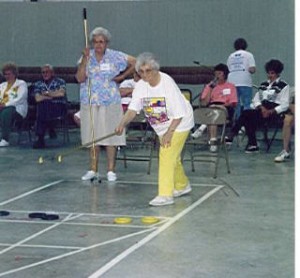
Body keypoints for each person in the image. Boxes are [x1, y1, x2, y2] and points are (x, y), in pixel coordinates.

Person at [115, 52, 194, 206]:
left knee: (165, 153)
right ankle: (182, 185)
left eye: (148, 71)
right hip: (161, 125)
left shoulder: (167, 84)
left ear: (156, 69)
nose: (145, 75)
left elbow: (178, 114)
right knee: (173, 158)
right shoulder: (140, 86)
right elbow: (133, 110)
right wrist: (122, 123)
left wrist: (169, 133)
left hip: (180, 122)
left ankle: (165, 194)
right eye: (141, 72)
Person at [76, 26, 136, 182]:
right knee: (93, 136)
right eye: (95, 42)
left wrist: (122, 76)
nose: (98, 45)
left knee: (112, 136)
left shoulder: (115, 56)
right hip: (90, 101)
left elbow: (136, 62)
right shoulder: (86, 57)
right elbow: (80, 78)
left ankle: (111, 170)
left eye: (101, 42)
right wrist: (84, 59)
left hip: (110, 101)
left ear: (106, 43)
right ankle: (93, 169)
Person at [226, 59, 290, 153]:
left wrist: (271, 111)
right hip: (262, 109)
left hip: (274, 112)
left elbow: (285, 104)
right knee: (246, 113)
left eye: (272, 73)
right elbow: (256, 99)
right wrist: (261, 107)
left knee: (248, 117)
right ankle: (250, 143)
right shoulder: (263, 85)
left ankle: (243, 139)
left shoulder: (284, 86)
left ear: (277, 73)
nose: (270, 75)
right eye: (268, 73)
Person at [191, 63, 237, 152]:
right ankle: (213, 141)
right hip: (211, 108)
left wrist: (219, 106)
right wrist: (211, 89)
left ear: (225, 74)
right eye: (216, 74)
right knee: (212, 116)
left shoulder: (231, 86)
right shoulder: (209, 86)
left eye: (220, 74)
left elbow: (233, 103)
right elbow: (204, 103)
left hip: (225, 108)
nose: (217, 76)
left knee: (213, 113)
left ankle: (202, 127)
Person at [32, 64, 67, 149]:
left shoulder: (60, 81)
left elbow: (61, 93)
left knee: (44, 105)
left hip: (58, 106)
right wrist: (51, 95)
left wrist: (46, 94)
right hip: (44, 107)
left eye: (47, 72)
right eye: (43, 72)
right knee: (44, 105)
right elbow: (37, 98)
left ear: (52, 73)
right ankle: (49, 128)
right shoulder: (38, 84)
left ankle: (40, 138)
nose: (45, 74)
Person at [227, 38, 256, 122]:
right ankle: (246, 124)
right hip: (244, 81)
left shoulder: (231, 56)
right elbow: (252, 69)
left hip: (232, 81)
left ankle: (237, 124)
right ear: (245, 46)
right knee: (247, 103)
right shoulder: (249, 55)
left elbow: (228, 69)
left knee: (236, 104)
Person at [0, 62, 28, 147]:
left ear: (15, 74)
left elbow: (20, 98)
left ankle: (5, 139)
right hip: (2, 107)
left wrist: (5, 105)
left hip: (16, 110)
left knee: (7, 111)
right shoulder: (2, 85)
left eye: (9, 74)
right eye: (5, 74)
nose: (7, 76)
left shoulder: (21, 84)